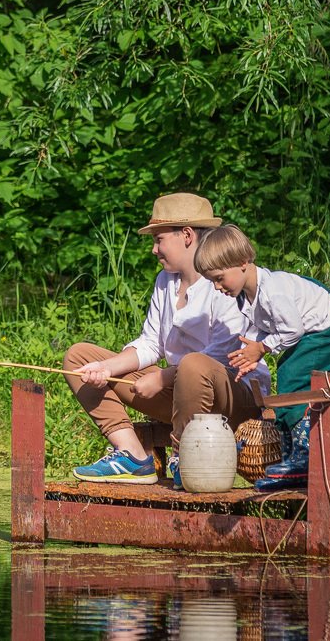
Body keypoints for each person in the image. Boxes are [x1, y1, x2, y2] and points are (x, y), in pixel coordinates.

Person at [63, 193, 271, 490]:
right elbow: (151, 343)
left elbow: (222, 355)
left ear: (186, 235)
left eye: (159, 239)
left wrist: (162, 377)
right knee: (79, 357)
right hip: (180, 396)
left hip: (232, 399)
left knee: (193, 364)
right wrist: (106, 368)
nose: (154, 249)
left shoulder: (225, 280)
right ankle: (133, 456)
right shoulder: (165, 281)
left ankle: (184, 456)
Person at [193, 223, 330, 490]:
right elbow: (265, 328)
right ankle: (291, 454)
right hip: (310, 331)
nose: (217, 287)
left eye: (219, 278)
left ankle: (304, 455)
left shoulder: (272, 291)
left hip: (328, 326)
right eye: (212, 282)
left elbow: (292, 329)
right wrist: (251, 356)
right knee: (289, 372)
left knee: (295, 378)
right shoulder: (246, 296)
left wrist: (262, 348)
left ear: (243, 262)